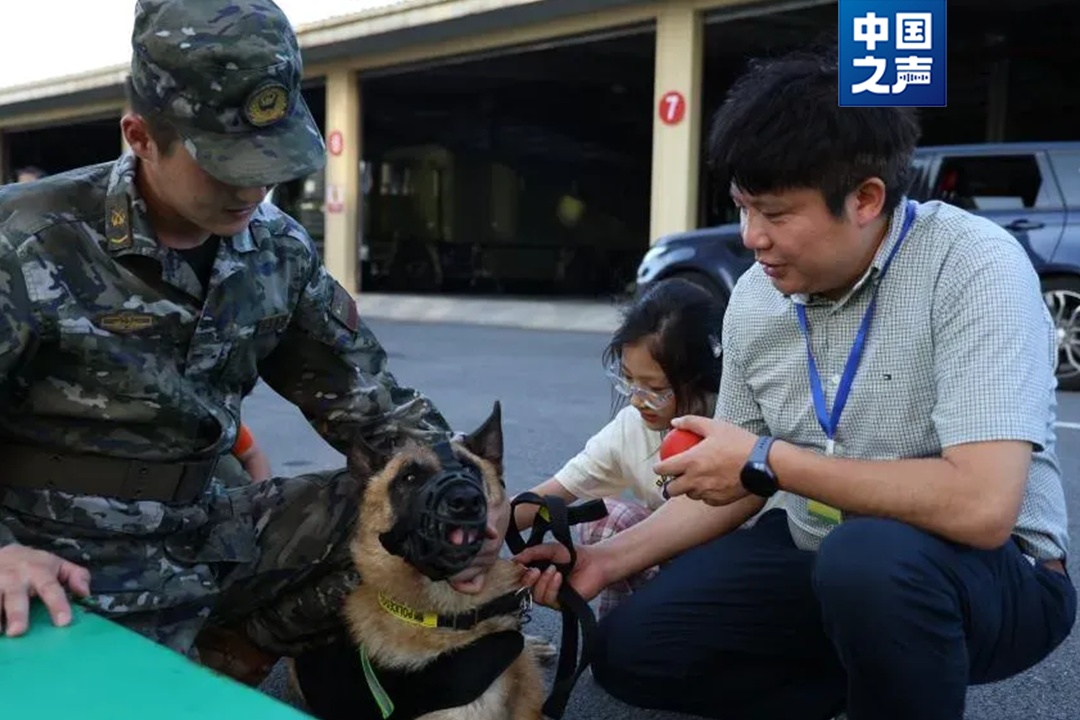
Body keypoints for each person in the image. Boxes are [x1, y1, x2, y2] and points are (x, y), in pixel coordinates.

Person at [517, 46, 1076, 720]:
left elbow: (983, 507)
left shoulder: (973, 268)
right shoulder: (757, 299)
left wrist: (767, 460)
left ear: (866, 198)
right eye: (742, 208)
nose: (752, 238)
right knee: (636, 650)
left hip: (992, 576)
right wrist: (606, 560)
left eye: (776, 215)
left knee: (868, 560)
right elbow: (736, 481)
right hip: (825, 558)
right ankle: (870, 681)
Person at [0, 0, 508, 696]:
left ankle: (226, 652)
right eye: (224, 162)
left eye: (269, 159)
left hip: (202, 534)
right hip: (57, 554)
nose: (251, 186)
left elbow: (374, 409)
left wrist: (468, 490)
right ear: (141, 136)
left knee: (394, 509)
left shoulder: (276, 252)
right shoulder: (28, 237)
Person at [512, 277, 729, 617]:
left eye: (655, 388)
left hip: (729, 570)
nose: (637, 399)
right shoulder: (632, 427)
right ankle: (618, 630)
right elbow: (554, 493)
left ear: (700, 378)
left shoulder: (733, 426)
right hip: (662, 558)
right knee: (609, 518)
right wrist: (485, 528)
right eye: (628, 379)